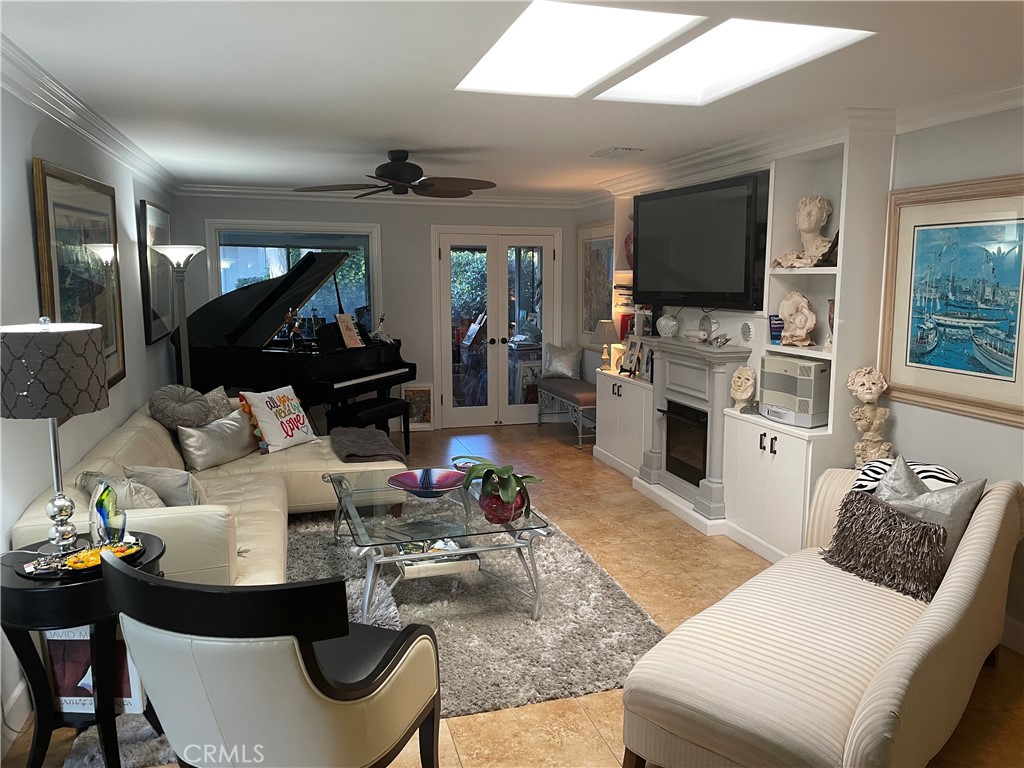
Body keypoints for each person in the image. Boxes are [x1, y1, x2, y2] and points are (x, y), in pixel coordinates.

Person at [847, 366, 895, 467]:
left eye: (873, 383)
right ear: (855, 390)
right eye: (862, 385)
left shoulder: (883, 411)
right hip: (864, 454)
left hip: (881, 452)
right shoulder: (858, 413)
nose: (868, 388)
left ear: (881, 387)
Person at [772, 195, 835, 268]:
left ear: (823, 219)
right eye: (803, 213)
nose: (807, 216)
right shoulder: (800, 255)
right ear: (797, 218)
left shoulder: (825, 249)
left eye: (813, 213)